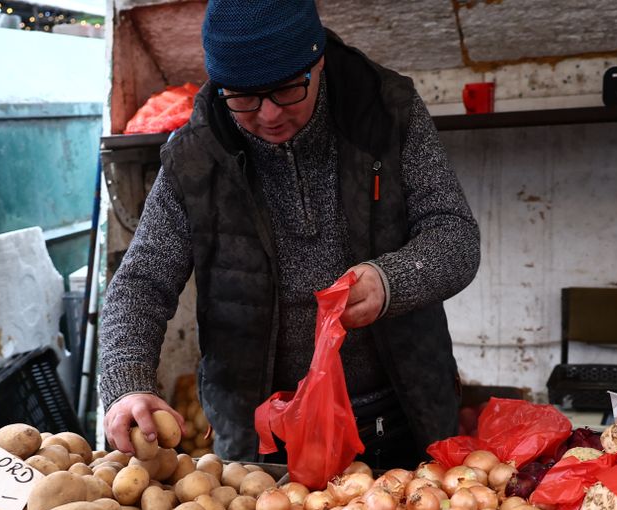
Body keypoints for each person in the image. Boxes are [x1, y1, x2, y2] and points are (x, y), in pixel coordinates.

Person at [99, 0, 481, 469]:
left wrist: (390, 282)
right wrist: (127, 381)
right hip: (261, 430)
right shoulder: (195, 157)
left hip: (398, 410)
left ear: (316, 60)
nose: (269, 115)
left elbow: (455, 233)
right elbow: (142, 281)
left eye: (286, 91)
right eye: (244, 98)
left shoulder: (387, 112)